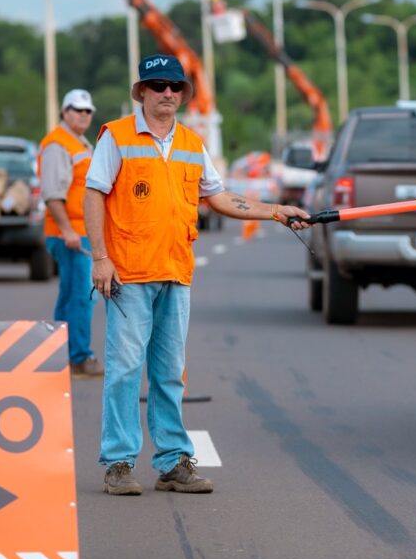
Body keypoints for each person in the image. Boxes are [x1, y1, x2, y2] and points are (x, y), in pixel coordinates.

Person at [84, 54, 310, 496]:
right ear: (142, 92)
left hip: (175, 271)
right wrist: (99, 257)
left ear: (182, 94)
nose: (168, 93)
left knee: (169, 372)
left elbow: (220, 197)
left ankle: (172, 463)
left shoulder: (190, 143)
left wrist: (276, 211)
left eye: (175, 86)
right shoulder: (117, 137)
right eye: (158, 85)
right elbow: (94, 194)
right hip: (128, 272)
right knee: (126, 369)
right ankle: (118, 463)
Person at [39, 88, 101, 377]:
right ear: (65, 112)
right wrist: (67, 231)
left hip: (78, 231)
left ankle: (61, 355)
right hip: (71, 234)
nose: (83, 115)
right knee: (82, 296)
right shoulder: (57, 145)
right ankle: (79, 357)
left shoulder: (80, 144)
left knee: (69, 296)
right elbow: (52, 194)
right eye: (77, 109)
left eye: (88, 111)